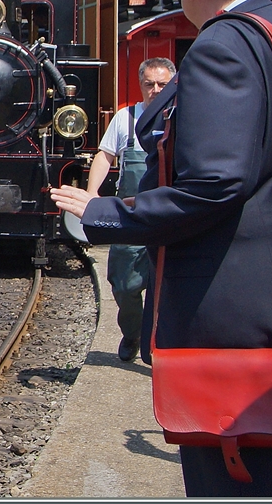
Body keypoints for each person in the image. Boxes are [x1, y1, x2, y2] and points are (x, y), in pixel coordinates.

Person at [51, 0, 272, 498]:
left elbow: (215, 184)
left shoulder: (222, 47)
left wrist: (104, 214)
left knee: (236, 476)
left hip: (237, 309)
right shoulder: (270, 32)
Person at [84, 56, 176, 362]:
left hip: (169, 214)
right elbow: (104, 155)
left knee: (170, 285)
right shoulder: (125, 118)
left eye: (162, 84)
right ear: (140, 85)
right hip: (131, 215)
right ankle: (133, 332)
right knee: (124, 284)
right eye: (149, 84)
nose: (155, 89)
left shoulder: (181, 117)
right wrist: (92, 193)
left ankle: (161, 345)